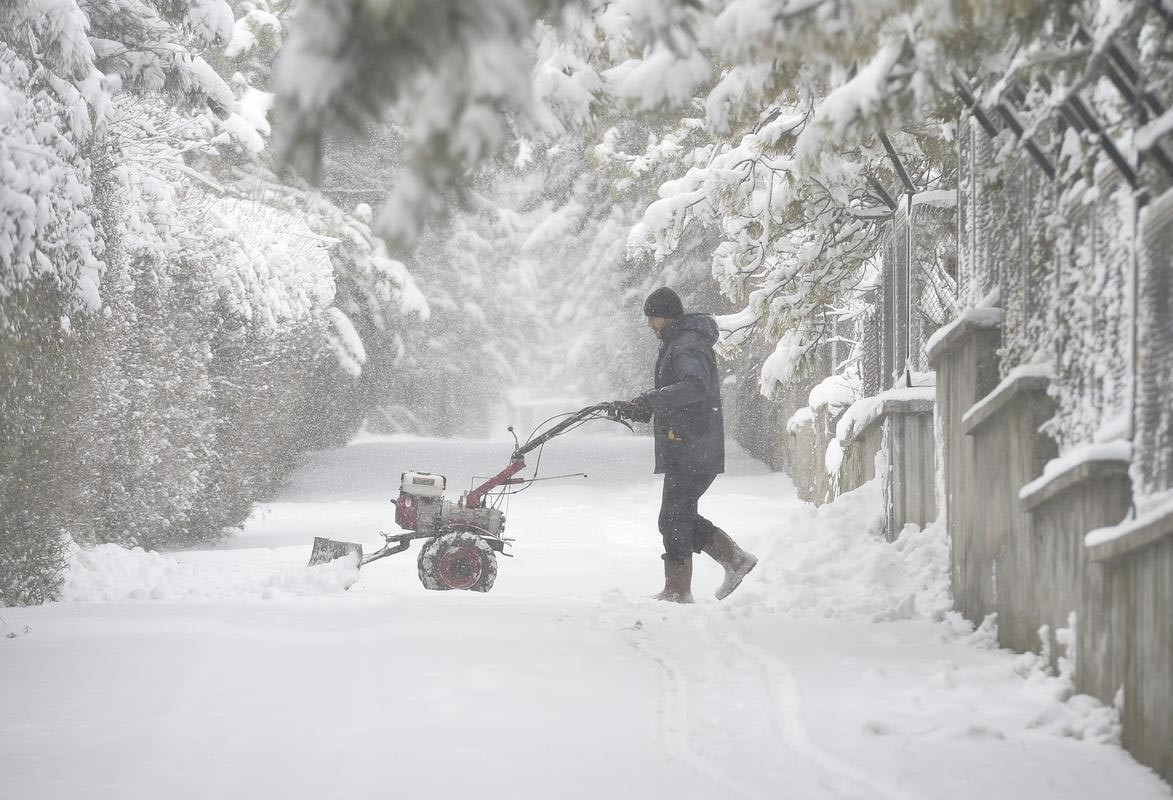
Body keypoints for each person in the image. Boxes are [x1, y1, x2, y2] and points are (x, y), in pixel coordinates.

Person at [615, 287, 758, 603]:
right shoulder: (679, 342)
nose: (650, 324)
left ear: (665, 316)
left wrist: (650, 400)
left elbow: (695, 387)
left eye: (652, 318)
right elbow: (677, 394)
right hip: (687, 445)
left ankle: (694, 581)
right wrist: (641, 406)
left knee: (675, 517)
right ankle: (720, 567)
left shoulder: (687, 345)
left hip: (694, 447)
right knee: (675, 517)